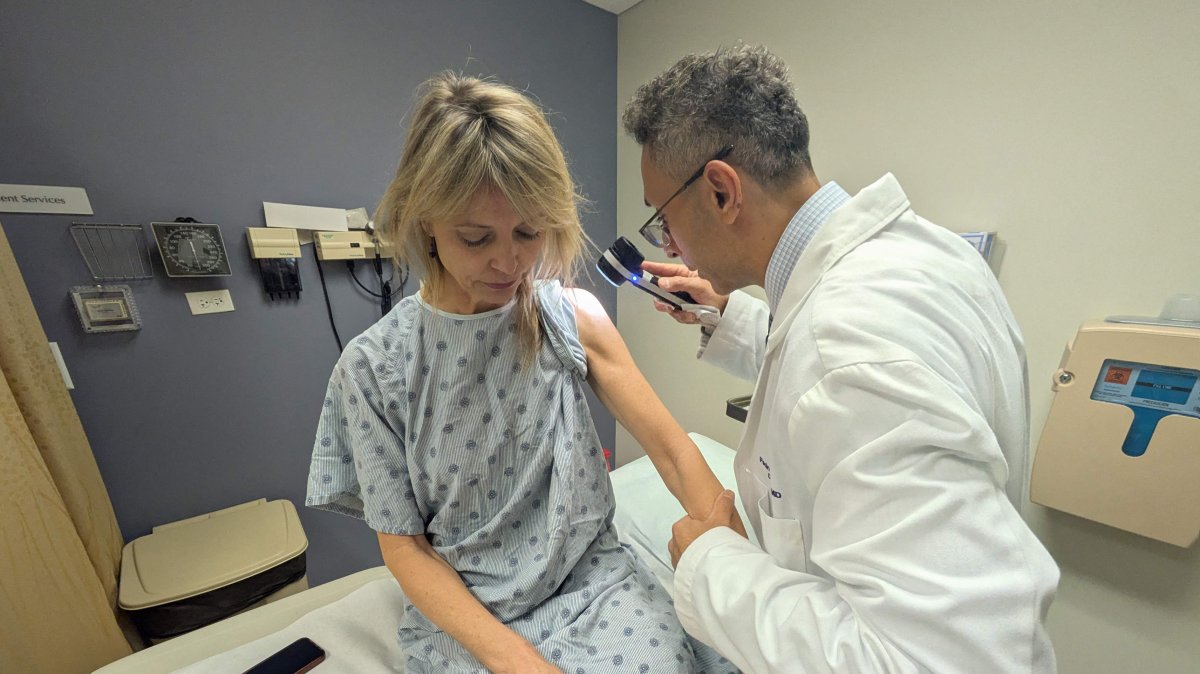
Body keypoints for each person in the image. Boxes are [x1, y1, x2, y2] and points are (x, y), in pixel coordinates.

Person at [621, 44, 1059, 673]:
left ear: (721, 191)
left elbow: (946, 661)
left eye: (663, 218)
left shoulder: (850, 349)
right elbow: (819, 362)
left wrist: (710, 563)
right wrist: (726, 315)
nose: (670, 243)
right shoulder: (924, 257)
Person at [306, 73, 739, 673]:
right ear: (425, 219)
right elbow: (404, 550)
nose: (508, 262)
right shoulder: (374, 370)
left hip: (591, 582)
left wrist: (735, 553)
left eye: (529, 232)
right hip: (473, 617)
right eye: (476, 237)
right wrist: (521, 663)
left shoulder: (569, 317)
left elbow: (670, 448)